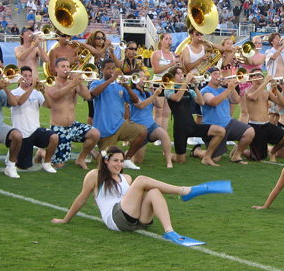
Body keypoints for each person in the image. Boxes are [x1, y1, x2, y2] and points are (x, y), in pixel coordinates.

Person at [51, 146, 226, 243]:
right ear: (105, 161)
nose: (119, 164)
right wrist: (65, 220)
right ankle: (185, 191)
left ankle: (169, 231)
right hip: (116, 219)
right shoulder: (94, 176)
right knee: (141, 180)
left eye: (121, 161)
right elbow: (81, 199)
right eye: (115, 161)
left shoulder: (126, 177)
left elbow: (136, 200)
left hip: (136, 220)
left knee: (154, 190)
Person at [89, 59, 149, 169]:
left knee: (143, 132)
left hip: (120, 124)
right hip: (104, 129)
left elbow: (135, 100)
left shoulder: (120, 85)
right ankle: (93, 152)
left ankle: (126, 159)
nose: (111, 71)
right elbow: (93, 93)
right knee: (106, 165)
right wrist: (112, 79)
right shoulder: (97, 82)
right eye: (108, 69)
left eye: (113, 68)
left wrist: (126, 86)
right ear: (102, 70)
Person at [45, 57, 101, 169]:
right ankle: (42, 153)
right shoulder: (51, 83)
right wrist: (72, 84)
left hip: (73, 126)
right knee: (59, 165)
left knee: (95, 133)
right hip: (59, 128)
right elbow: (55, 96)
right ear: (56, 69)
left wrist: (79, 83)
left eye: (68, 66)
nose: (66, 69)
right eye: (63, 67)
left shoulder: (73, 83)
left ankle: (81, 159)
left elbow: (88, 96)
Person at [163, 67, 224, 166]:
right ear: (173, 77)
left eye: (182, 73)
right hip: (180, 129)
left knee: (220, 131)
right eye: (178, 74)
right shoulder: (169, 90)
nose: (182, 75)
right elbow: (177, 98)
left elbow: (202, 102)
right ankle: (168, 154)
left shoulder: (188, 90)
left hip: (192, 126)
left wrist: (195, 87)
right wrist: (187, 81)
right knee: (181, 161)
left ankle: (206, 157)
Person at [200, 67, 254, 164]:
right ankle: (196, 151)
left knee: (250, 132)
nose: (218, 76)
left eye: (219, 73)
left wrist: (231, 88)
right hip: (213, 126)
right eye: (215, 74)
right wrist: (228, 89)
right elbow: (213, 102)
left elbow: (236, 100)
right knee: (215, 158)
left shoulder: (223, 90)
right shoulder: (205, 91)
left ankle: (236, 156)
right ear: (208, 77)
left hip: (228, 123)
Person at [10, 66, 59, 173]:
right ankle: (12, 155)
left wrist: (43, 90)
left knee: (54, 137)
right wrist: (32, 87)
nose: (28, 78)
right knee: (23, 166)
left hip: (35, 130)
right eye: (25, 76)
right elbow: (20, 101)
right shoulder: (14, 92)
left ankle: (46, 163)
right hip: (21, 133)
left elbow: (50, 105)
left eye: (30, 76)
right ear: (19, 78)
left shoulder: (36, 93)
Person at [126, 71, 175, 168]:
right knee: (138, 160)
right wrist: (154, 94)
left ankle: (169, 162)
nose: (144, 79)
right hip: (138, 128)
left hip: (151, 125)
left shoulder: (148, 93)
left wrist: (153, 93)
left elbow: (159, 105)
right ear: (134, 79)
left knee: (164, 134)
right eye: (141, 77)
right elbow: (141, 105)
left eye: (145, 76)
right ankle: (123, 155)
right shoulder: (133, 93)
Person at [242, 71, 284, 162]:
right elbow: (254, 97)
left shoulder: (266, 93)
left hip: (267, 125)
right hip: (255, 126)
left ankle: (272, 152)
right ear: (251, 78)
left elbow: (281, 102)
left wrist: (277, 90)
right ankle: (240, 149)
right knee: (257, 158)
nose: (260, 76)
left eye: (261, 75)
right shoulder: (248, 91)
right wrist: (265, 83)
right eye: (257, 75)